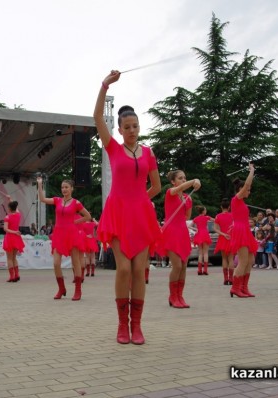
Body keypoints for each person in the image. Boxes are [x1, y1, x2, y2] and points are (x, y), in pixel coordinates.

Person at [94, 70, 162, 345]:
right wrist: (104, 85)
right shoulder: (112, 147)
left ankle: (138, 327)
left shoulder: (149, 153)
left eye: (136, 125)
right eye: (127, 127)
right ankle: (122, 325)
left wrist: (141, 201)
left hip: (141, 216)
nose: (132, 130)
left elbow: (156, 186)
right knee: (123, 269)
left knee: (138, 270)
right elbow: (98, 117)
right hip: (118, 214)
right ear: (119, 130)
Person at [37, 176, 91, 301]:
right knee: (56, 263)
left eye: (66, 187)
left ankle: (78, 290)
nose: (64, 189)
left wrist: (76, 222)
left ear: (72, 189)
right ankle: (61, 288)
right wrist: (40, 185)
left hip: (71, 234)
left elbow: (87, 216)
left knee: (75, 262)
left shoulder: (76, 203)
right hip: (58, 235)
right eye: (62, 187)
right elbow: (42, 199)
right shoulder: (57, 200)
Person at [159, 170, 200, 309]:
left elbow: (187, 217)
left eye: (185, 178)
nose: (183, 180)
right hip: (171, 232)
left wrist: (192, 183)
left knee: (183, 266)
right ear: (173, 181)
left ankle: (179, 296)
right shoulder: (170, 192)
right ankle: (172, 296)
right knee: (176, 265)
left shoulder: (188, 199)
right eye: (180, 178)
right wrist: (194, 180)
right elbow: (181, 188)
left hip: (182, 231)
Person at [229, 163, 258, 298]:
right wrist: (252, 170)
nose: (249, 191)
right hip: (241, 231)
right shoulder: (236, 199)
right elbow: (246, 185)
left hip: (245, 230)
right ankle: (235, 288)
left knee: (250, 260)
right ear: (240, 189)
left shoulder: (241, 203)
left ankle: (244, 287)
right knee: (243, 261)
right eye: (247, 189)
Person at [3, 195, 25, 282]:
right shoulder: (18, 215)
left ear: (9, 208)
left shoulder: (7, 217)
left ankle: (12, 276)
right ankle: (17, 274)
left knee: (9, 258)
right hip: (16, 238)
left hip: (10, 238)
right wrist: (9, 199)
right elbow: (15, 207)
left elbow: (5, 229)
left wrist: (13, 232)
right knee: (14, 258)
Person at [214, 198, 235, 285]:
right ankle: (231, 278)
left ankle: (225, 278)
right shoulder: (233, 215)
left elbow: (215, 229)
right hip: (231, 237)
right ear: (229, 207)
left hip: (223, 238)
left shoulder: (218, 216)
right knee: (231, 259)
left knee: (224, 258)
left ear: (221, 207)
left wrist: (223, 234)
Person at [192, 205, 212, 276]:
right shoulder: (206, 217)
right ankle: (205, 270)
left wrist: (196, 229)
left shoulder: (196, 218)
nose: (206, 211)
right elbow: (216, 220)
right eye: (205, 210)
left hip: (199, 234)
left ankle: (199, 270)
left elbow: (189, 226)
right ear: (203, 211)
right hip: (205, 234)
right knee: (205, 253)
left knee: (200, 253)